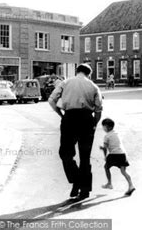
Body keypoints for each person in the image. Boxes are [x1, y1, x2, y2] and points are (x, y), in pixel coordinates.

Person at [48, 64, 103, 200]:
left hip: (69, 118)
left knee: (65, 153)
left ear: (77, 71)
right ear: (89, 74)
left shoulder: (66, 82)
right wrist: (94, 124)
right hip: (86, 119)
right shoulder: (93, 86)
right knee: (85, 156)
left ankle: (76, 179)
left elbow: (51, 100)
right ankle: (84, 189)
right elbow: (98, 109)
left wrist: (61, 114)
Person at [99, 118, 135, 196]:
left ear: (107, 127)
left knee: (106, 167)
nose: (103, 128)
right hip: (122, 154)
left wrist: (105, 156)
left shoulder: (107, 136)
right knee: (123, 171)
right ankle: (131, 185)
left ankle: (109, 183)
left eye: (103, 126)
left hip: (114, 154)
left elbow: (105, 148)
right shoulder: (116, 133)